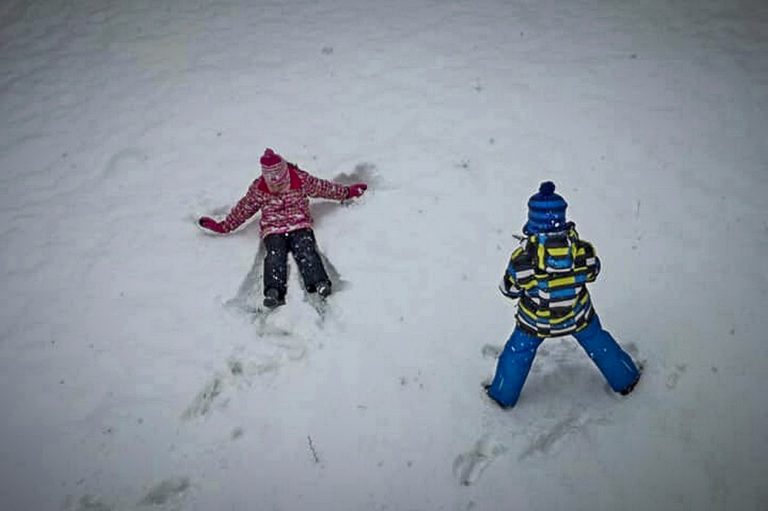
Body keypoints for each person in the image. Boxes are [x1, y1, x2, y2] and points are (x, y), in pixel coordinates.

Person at [486, 181, 640, 408]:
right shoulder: (583, 250)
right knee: (599, 342)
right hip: (578, 316)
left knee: (517, 354)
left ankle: (502, 396)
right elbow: (593, 271)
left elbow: (508, 289)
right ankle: (625, 378)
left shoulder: (523, 260)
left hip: (536, 322)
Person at [198, 148, 367, 308]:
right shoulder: (259, 189)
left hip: (299, 224)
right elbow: (244, 209)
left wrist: (346, 192)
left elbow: (323, 188)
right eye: (272, 184)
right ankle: (273, 291)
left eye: (280, 182)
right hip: (273, 229)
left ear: (285, 173)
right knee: (274, 256)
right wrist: (224, 226)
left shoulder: (299, 179)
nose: (277, 186)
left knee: (306, 250)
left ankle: (319, 282)